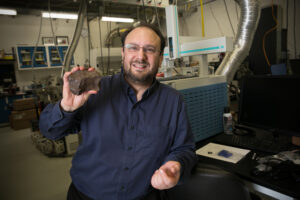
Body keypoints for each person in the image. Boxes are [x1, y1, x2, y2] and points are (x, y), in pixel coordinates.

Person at [39, 22, 197, 200]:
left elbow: (184, 148)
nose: (140, 56)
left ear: (160, 58)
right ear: (123, 53)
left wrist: (176, 165)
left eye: (150, 49)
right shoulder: (94, 91)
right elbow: (49, 131)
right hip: (85, 196)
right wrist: (66, 107)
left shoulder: (173, 101)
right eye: (133, 48)